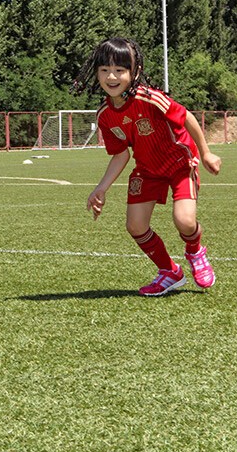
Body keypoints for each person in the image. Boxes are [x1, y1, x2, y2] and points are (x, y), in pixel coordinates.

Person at [76, 37, 222, 296]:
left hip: (179, 163)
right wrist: (101, 189)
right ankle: (169, 272)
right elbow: (120, 154)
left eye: (120, 70)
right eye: (105, 70)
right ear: (96, 73)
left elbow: (186, 116)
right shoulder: (105, 116)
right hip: (147, 169)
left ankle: (195, 250)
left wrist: (206, 153)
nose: (112, 76)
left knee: (185, 221)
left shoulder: (151, 98)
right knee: (135, 226)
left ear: (134, 73)